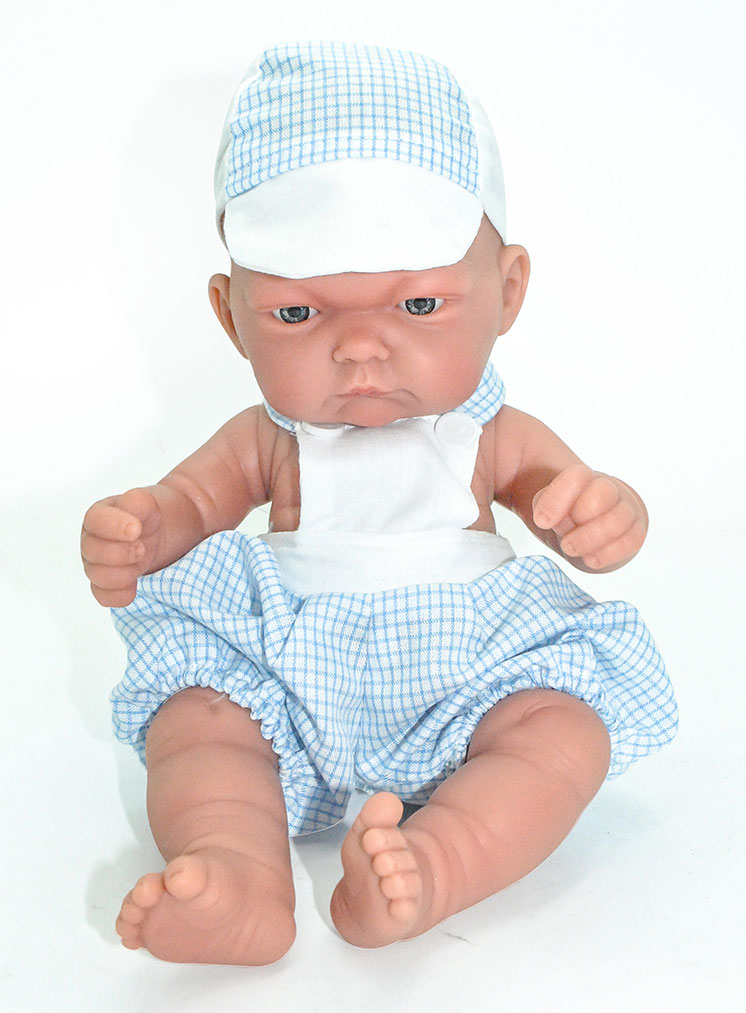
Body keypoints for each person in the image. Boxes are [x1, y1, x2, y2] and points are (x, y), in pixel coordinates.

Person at [81, 41, 678, 965]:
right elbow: (191, 500)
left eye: (418, 305)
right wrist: (146, 528)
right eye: (298, 313)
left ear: (507, 291)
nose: (361, 348)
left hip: (470, 678)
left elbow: (571, 504)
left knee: (563, 729)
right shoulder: (266, 439)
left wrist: (605, 515)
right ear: (231, 317)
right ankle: (236, 871)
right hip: (284, 674)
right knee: (198, 719)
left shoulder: (497, 436)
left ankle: (436, 864)